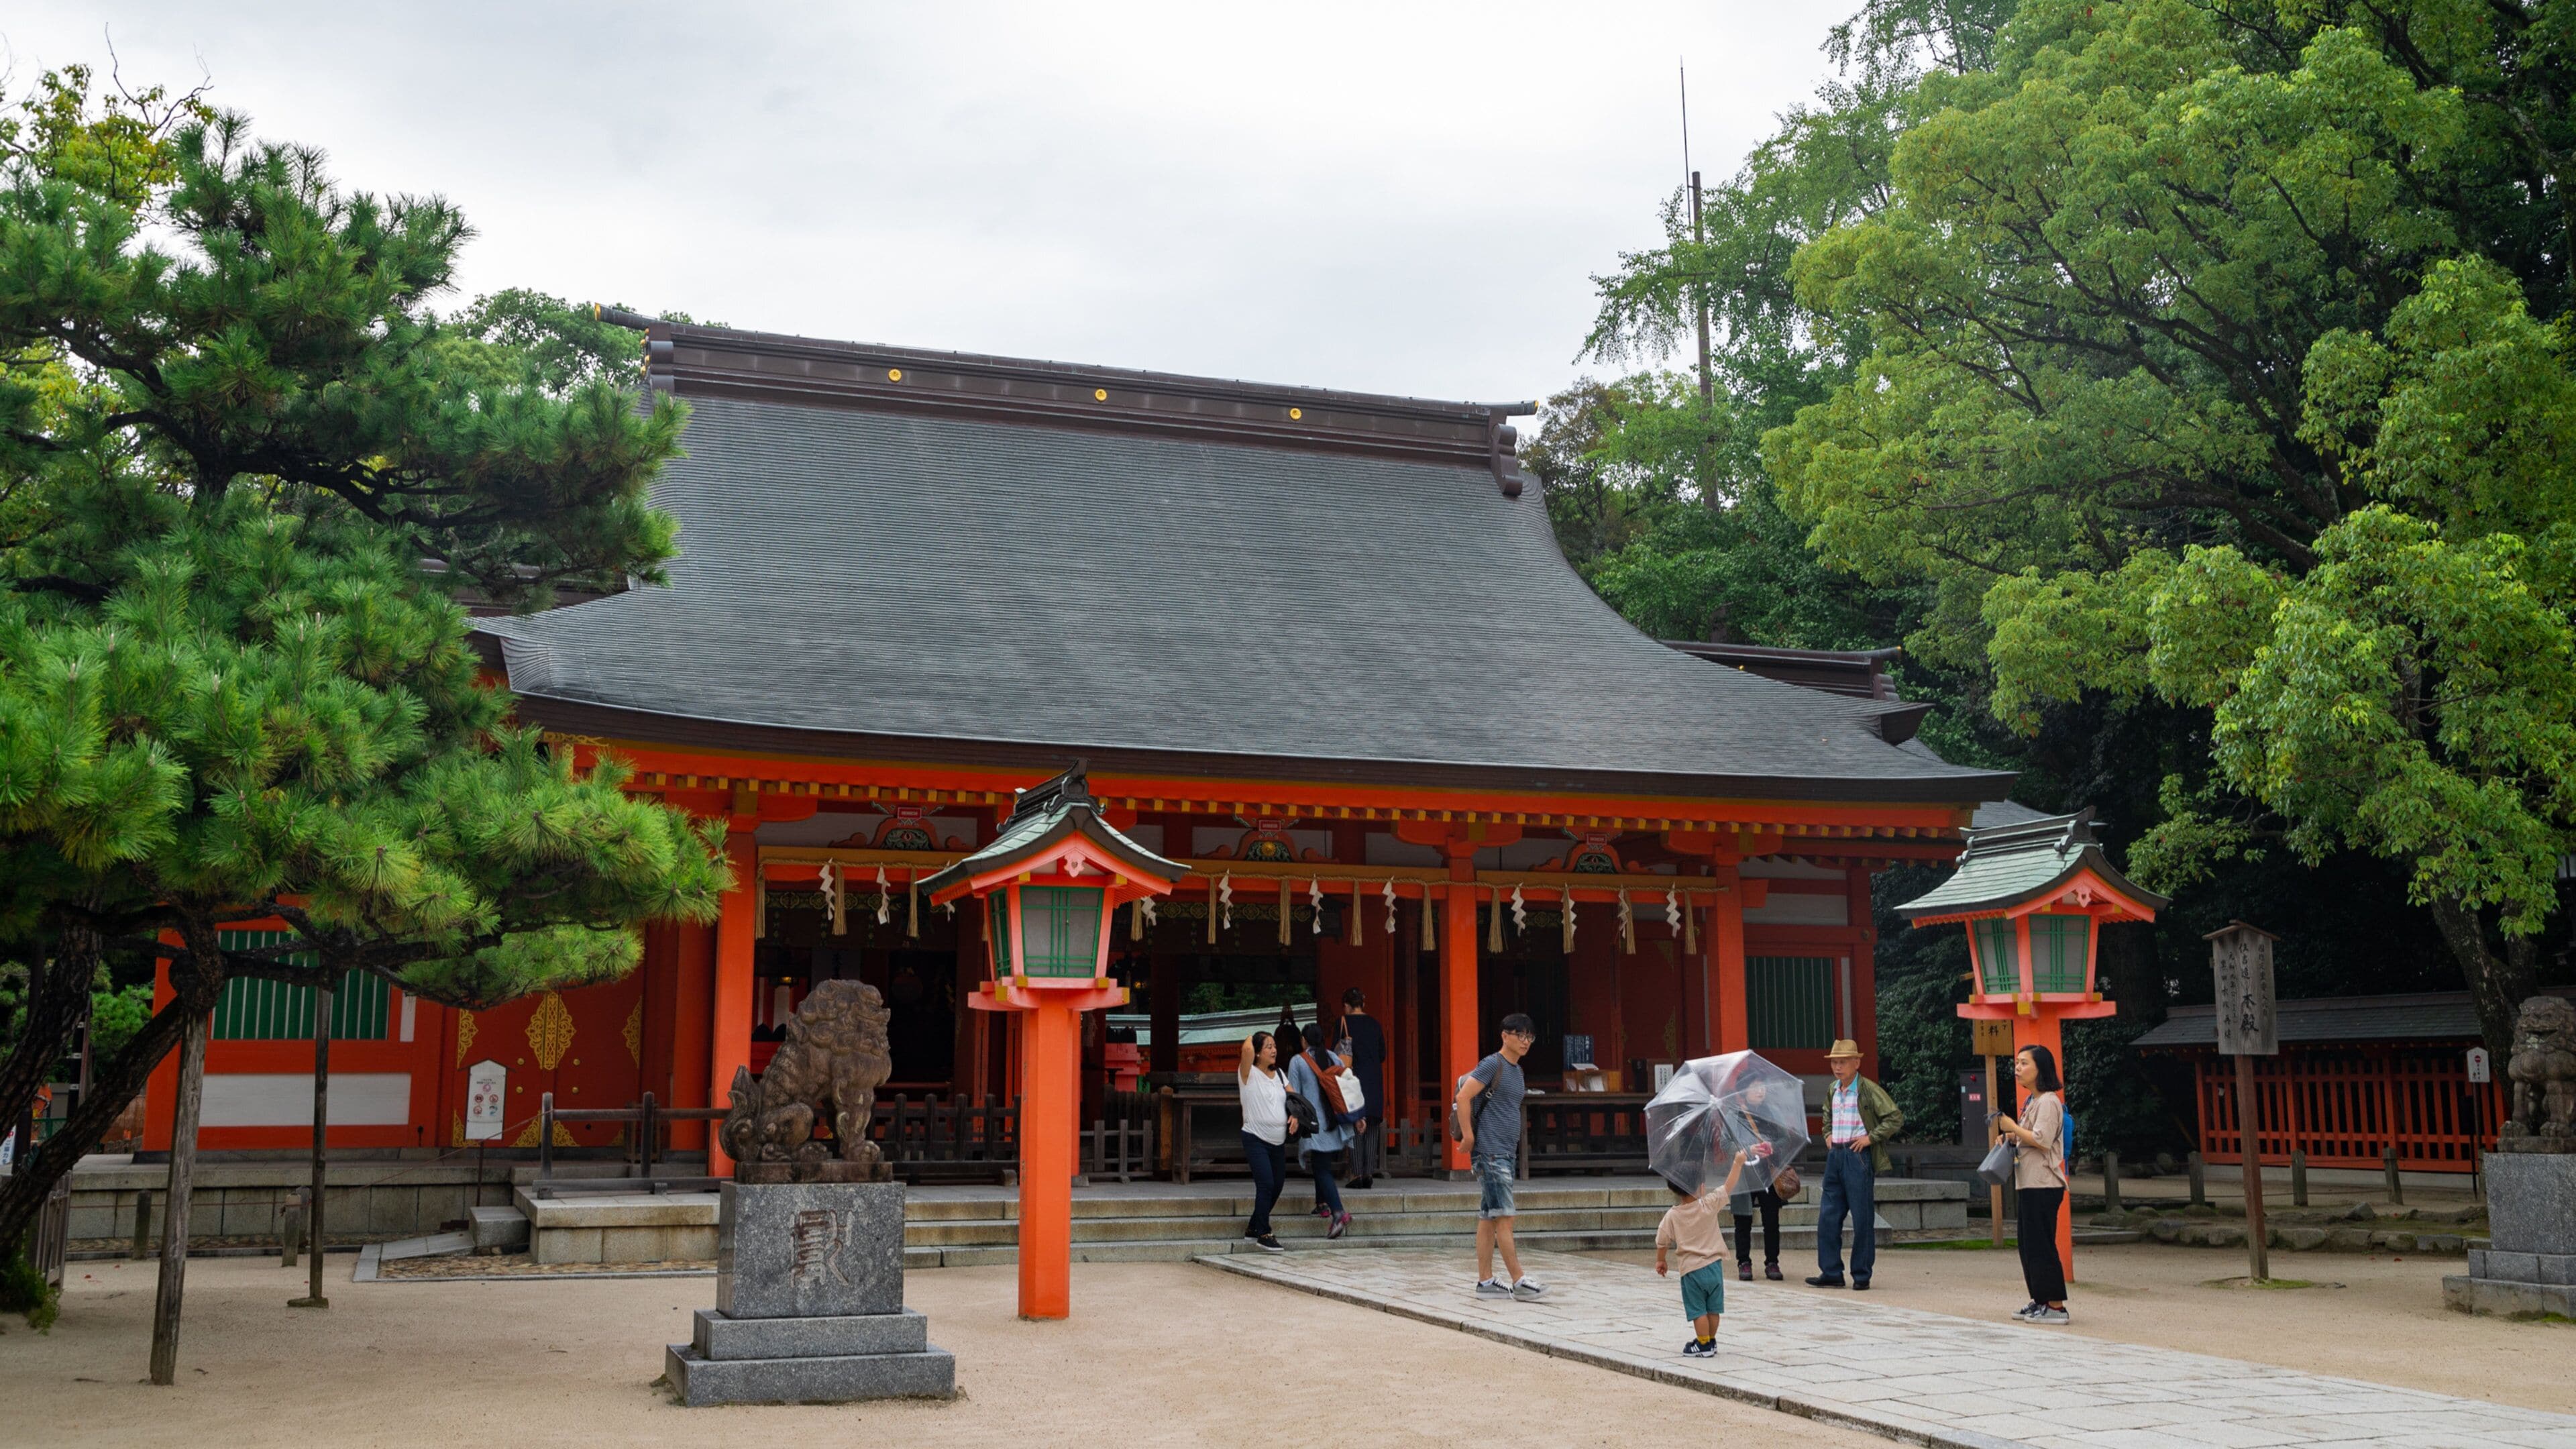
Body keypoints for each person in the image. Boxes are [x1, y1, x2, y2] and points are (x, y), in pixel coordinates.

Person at [1455, 1012, 1545, 1300]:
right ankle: (1519, 1281)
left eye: (1529, 1037)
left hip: (1504, 1152)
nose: (1525, 1041)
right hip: (1491, 1152)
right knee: (1505, 1217)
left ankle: (1486, 1282)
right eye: (1520, 1035)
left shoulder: (1517, 1071)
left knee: (1489, 1218)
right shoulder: (1492, 1064)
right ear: (1504, 1035)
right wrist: (1469, 1136)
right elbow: (1463, 1097)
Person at [1807, 1038, 1904, 1291]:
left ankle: (1861, 1274)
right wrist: (1827, 1134)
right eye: (1834, 1062)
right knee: (1828, 1216)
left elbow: (1894, 1117)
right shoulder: (1833, 1089)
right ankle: (1831, 1272)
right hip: (1835, 1155)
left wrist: (1871, 1138)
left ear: (1856, 1063)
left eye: (1842, 1062)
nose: (1837, 1067)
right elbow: (1827, 1113)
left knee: (1862, 1218)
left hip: (1857, 1154)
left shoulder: (1868, 1089)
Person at [1994, 1043, 2070, 1324]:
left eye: (2024, 1063)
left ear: (2041, 1069)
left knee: (2042, 1245)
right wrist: (2010, 1138)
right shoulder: (2033, 1101)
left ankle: (2057, 1306)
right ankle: (2039, 1300)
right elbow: (2029, 1137)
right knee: (2028, 1245)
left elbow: (2042, 1139)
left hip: (2044, 1183)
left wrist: (2012, 1128)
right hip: (2029, 1183)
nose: (2018, 1068)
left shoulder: (2049, 1101)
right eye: (2017, 1062)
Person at [1657, 1148, 1754, 1356]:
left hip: (1692, 1271)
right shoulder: (1709, 1204)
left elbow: (1662, 1240)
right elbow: (1729, 1186)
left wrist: (1661, 1261)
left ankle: (1703, 1344)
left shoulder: (1673, 1216)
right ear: (1700, 1187)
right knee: (1713, 1309)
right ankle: (1711, 1340)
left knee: (1698, 1310)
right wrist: (1737, 1162)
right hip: (1714, 1268)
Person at [1286, 1022, 1354, 1239]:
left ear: (1304, 1041)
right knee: (1321, 1162)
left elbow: (1294, 1094)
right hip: (1334, 1121)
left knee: (1322, 1168)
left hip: (1314, 1123)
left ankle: (1338, 1212)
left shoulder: (1298, 1061)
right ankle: (1321, 1204)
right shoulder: (1334, 1058)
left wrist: (1294, 1118)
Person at [1236, 1030, 1290, 1251]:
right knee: (1266, 1183)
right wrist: (1254, 1035)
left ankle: (1253, 1226)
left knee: (1277, 1185)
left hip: (1278, 1141)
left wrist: (1295, 1115)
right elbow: (1247, 1048)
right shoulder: (1247, 1073)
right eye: (1268, 1046)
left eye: (1275, 1045)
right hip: (1255, 1137)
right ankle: (1264, 1233)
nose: (1274, 1050)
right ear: (1257, 1053)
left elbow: (1294, 1097)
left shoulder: (1279, 1075)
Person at [1337, 987, 1387, 1189]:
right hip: (1374, 1079)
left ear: (1347, 1005)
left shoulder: (1344, 1023)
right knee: (1372, 1126)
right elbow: (1382, 1054)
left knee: (1355, 1124)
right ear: (1363, 1004)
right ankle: (1368, 1172)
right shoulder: (1375, 1025)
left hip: (1353, 1079)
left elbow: (1338, 1054)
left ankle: (1357, 1173)